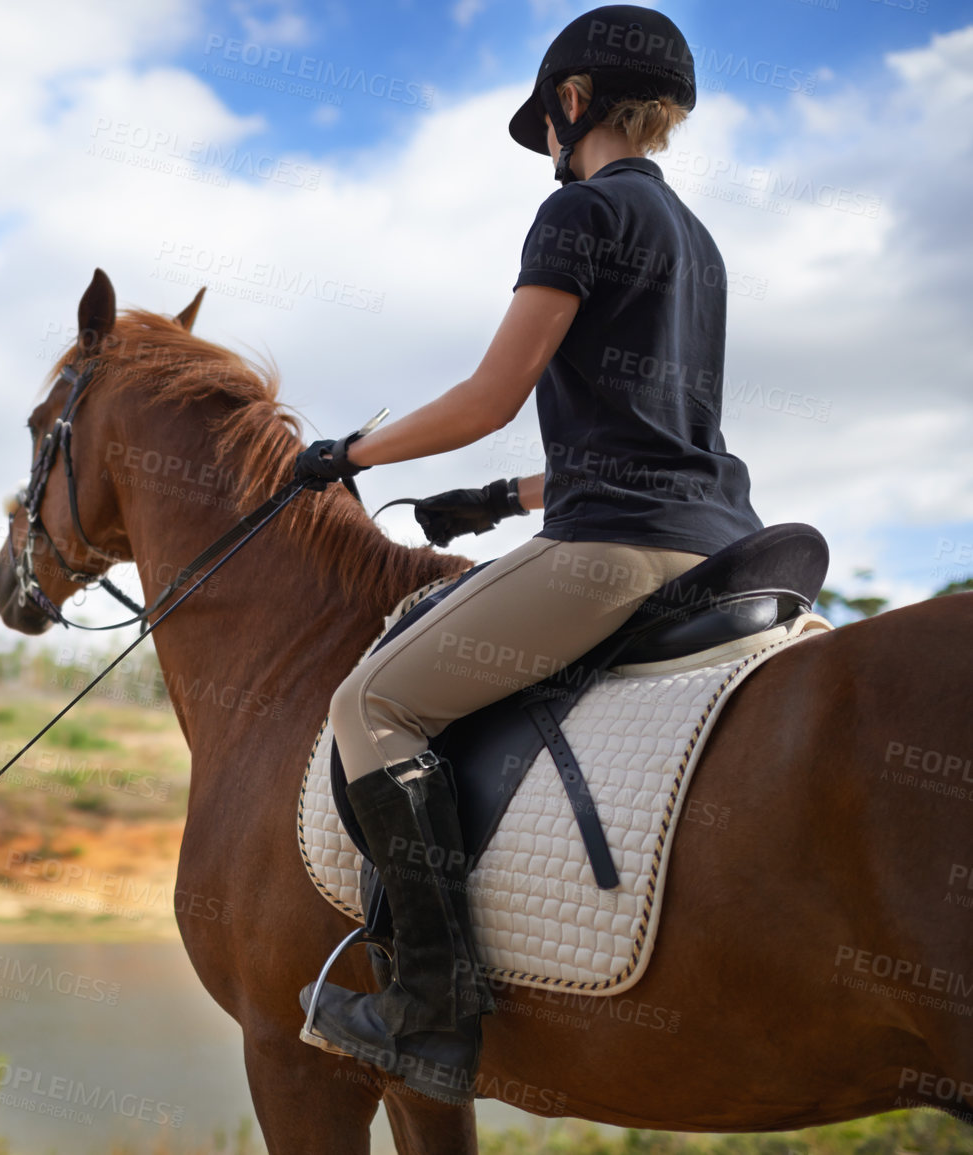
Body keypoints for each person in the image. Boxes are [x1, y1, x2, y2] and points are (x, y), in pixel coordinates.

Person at [290, 5, 764, 1103]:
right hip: (718, 539)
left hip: (617, 551)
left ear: (571, 102)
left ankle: (432, 1008)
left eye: (549, 124)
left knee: (374, 709)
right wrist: (502, 497)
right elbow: (653, 441)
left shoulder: (580, 213)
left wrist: (346, 454)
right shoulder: (696, 237)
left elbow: (489, 393)